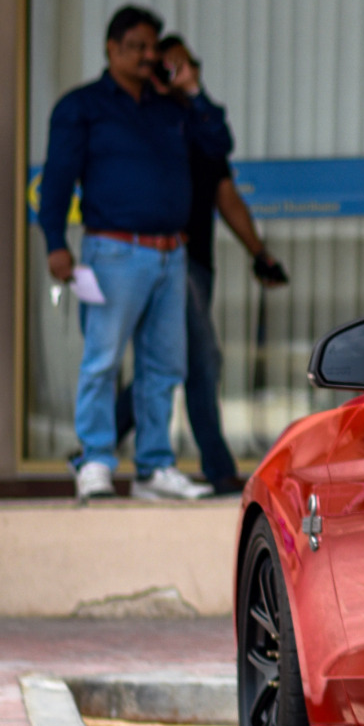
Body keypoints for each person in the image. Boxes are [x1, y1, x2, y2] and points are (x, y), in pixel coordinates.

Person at [37, 5, 232, 503]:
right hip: (113, 252)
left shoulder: (172, 109)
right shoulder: (81, 107)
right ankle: (96, 461)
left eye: (153, 47)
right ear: (112, 48)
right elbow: (57, 179)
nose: (149, 56)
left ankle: (153, 467)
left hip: (172, 256)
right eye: (138, 47)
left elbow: (218, 148)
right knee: (102, 360)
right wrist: (55, 242)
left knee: (164, 367)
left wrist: (191, 90)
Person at [113, 34, 288, 495]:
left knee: (170, 356)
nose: (169, 72)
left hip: (196, 263)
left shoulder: (195, 122)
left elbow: (225, 192)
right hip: (165, 256)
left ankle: (100, 442)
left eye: (180, 65)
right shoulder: (147, 118)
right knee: (202, 356)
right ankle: (217, 466)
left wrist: (259, 253)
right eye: (161, 66)